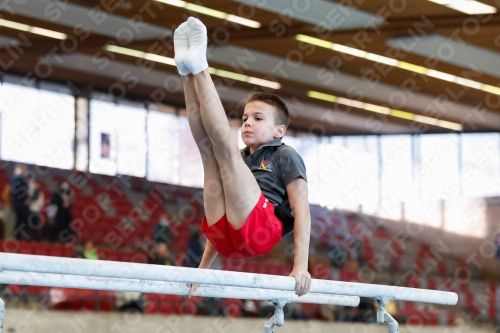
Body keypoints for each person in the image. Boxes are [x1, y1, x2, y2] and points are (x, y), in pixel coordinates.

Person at [174, 17, 311, 296]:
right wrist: (200, 271)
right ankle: (186, 71)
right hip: (226, 237)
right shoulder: (240, 158)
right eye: (245, 117)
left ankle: (199, 68)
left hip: (260, 232)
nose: (247, 122)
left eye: (258, 118)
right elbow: (223, 218)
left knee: (221, 154)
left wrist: (301, 266)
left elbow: (303, 213)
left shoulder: (285, 155)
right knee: (210, 152)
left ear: (279, 130)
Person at [9, 164, 31, 241]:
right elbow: (22, 191)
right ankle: (23, 239)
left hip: (17, 204)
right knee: (23, 222)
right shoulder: (19, 178)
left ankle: (18, 238)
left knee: (19, 222)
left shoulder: (15, 178)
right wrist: (25, 199)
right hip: (21, 204)